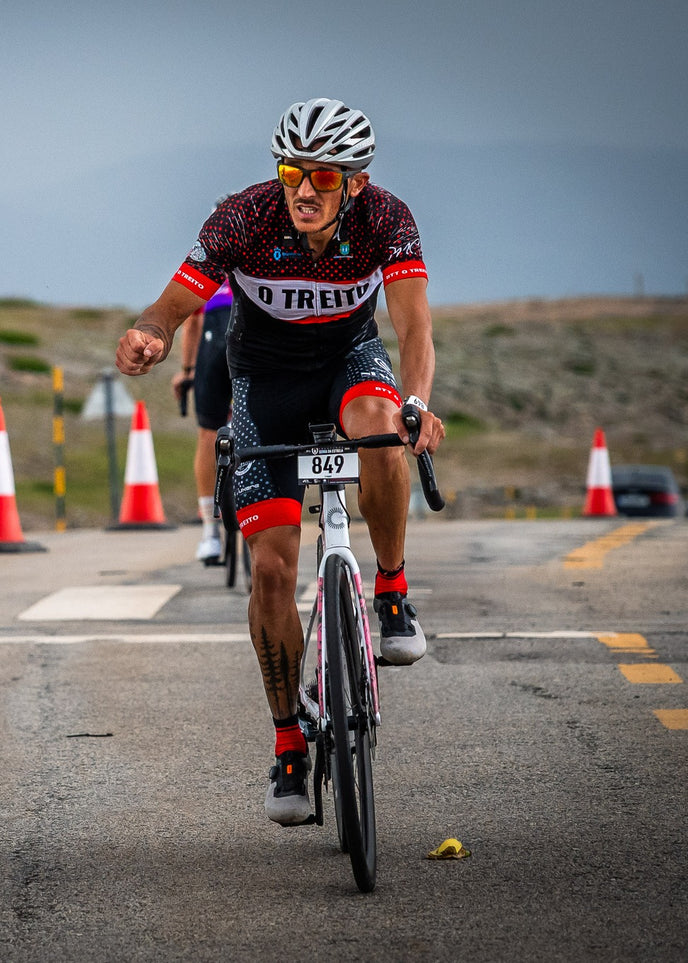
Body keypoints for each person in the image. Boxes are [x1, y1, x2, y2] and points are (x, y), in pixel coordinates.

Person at [116, 98, 445, 826]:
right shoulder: (243, 217)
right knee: (268, 566)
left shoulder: (386, 218)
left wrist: (418, 400)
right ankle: (289, 743)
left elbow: (413, 325)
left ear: (353, 184)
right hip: (261, 381)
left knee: (385, 425)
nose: (302, 189)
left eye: (322, 177)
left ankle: (389, 588)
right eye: (292, 170)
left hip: (347, 362)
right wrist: (147, 334)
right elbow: (174, 303)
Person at [171, 276, 233, 564]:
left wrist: (186, 370)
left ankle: (210, 532)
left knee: (209, 432)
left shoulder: (212, 263)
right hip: (255, 335)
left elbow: (192, 323)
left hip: (214, 338)